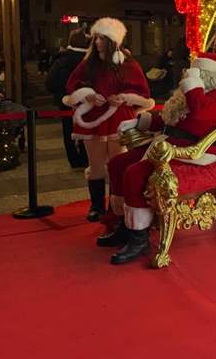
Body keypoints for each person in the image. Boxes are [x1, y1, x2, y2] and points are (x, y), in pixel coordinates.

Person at [101, 44, 216, 264]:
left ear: (210, 76)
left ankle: (139, 238)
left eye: (197, 73)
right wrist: (140, 121)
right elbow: (168, 118)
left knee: (135, 173)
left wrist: (193, 86)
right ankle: (124, 225)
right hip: (166, 144)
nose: (191, 74)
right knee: (118, 163)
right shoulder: (191, 93)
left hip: (192, 153)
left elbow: (200, 113)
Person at [63, 18, 153, 222]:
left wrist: (124, 98)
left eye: (103, 38)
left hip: (119, 119)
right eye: (96, 38)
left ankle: (116, 206)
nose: (97, 42)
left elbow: (142, 93)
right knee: (95, 165)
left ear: (113, 40)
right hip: (93, 119)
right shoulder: (89, 64)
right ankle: (96, 206)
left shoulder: (128, 63)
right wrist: (86, 95)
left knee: (117, 164)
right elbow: (72, 87)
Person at [45, 29, 89, 169]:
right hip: (87, 101)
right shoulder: (90, 60)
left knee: (68, 130)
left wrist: (60, 93)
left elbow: (50, 82)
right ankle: (85, 157)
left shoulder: (62, 59)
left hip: (66, 101)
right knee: (86, 129)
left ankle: (74, 160)